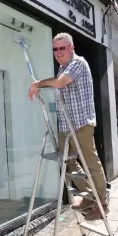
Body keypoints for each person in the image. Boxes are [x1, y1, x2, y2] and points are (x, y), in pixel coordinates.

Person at [28, 32, 109, 220]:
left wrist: (37, 84)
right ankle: (90, 195)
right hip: (66, 126)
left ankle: (102, 202)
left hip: (81, 124)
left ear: (71, 48)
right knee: (67, 163)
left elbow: (59, 83)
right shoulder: (62, 68)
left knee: (90, 161)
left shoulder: (77, 63)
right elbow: (59, 88)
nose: (58, 52)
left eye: (62, 48)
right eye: (55, 49)